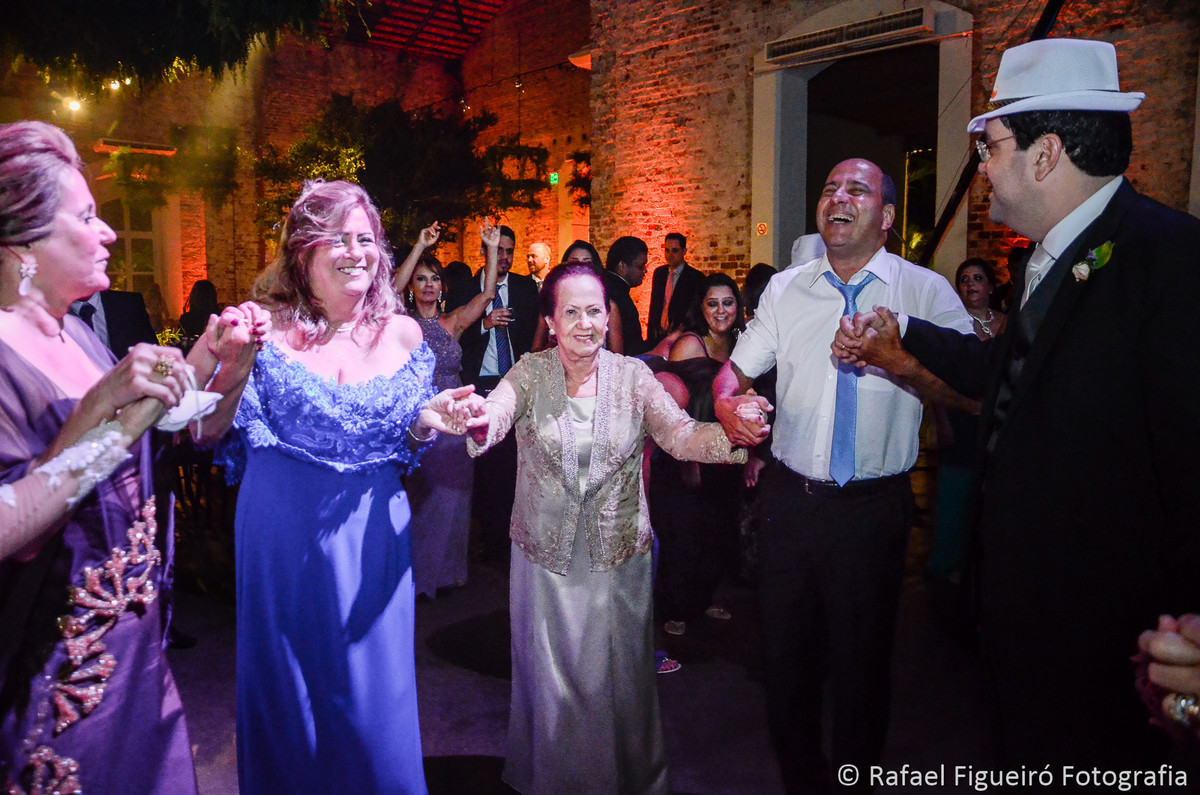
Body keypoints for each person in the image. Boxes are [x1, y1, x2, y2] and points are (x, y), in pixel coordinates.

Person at [833, 38, 1200, 771]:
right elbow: (1008, 373)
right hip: (1021, 629)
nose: (982, 166)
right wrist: (904, 329)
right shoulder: (1049, 256)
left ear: (1046, 153)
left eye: (990, 144)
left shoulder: (1170, 258)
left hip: (1106, 645)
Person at [0, 120, 264, 794]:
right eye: (86, 217)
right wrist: (113, 422)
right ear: (22, 243)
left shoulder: (81, 340)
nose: (110, 231)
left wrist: (218, 360)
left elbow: (165, 440)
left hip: (140, 663)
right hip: (56, 684)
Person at [713, 157, 972, 792]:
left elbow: (972, 393)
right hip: (791, 504)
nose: (838, 197)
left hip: (872, 509)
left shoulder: (925, 293)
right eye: (829, 186)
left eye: (857, 188)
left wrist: (897, 361)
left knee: (862, 667)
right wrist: (725, 405)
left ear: (885, 217)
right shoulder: (786, 289)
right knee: (786, 664)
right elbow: (733, 372)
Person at [217, 180, 477, 793]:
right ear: (303, 251)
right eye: (340, 237)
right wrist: (223, 364)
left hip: (372, 540)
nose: (358, 251)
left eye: (367, 239)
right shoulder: (263, 330)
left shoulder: (406, 335)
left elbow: (404, 439)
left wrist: (425, 421)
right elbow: (208, 431)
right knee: (289, 702)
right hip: (280, 536)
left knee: (371, 708)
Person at [463, 262, 755, 795]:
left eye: (593, 311)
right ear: (550, 321)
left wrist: (735, 436)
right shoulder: (530, 372)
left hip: (619, 557)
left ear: (608, 316)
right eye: (569, 312)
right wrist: (480, 420)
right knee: (551, 684)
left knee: (618, 681)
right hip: (543, 558)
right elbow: (498, 412)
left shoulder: (633, 377)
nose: (583, 323)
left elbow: (682, 436)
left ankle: (626, 778)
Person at [394, 220, 501, 598]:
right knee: (425, 501)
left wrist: (489, 247)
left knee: (455, 500)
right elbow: (389, 290)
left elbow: (487, 293)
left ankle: (448, 573)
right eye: (421, 279)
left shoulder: (451, 322)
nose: (428, 285)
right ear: (413, 287)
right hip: (422, 422)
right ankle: (419, 576)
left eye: (434, 280)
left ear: (442, 288)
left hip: (456, 425)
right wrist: (419, 247)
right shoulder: (400, 325)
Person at [651, 273, 746, 635]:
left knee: (717, 528)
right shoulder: (690, 344)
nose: (721, 311)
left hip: (726, 450)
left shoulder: (742, 343)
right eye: (712, 303)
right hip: (686, 454)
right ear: (700, 307)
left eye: (728, 302)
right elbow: (674, 410)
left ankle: (704, 598)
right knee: (684, 531)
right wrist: (687, 461)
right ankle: (675, 608)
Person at [446, 224, 538, 563]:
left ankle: (509, 537)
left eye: (510, 251)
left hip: (512, 380)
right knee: (485, 466)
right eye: (499, 250)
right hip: (478, 384)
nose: (505, 257)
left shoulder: (526, 288)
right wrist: (484, 325)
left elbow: (534, 334)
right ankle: (486, 536)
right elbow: (453, 339)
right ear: (484, 252)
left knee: (512, 465)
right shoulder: (466, 288)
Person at [647, 232, 704, 345]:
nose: (669, 255)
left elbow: (695, 310)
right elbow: (654, 305)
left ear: (684, 251)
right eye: (667, 250)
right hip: (658, 334)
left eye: (675, 250)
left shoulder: (695, 277)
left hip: (682, 336)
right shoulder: (659, 273)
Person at [602, 235, 650, 356]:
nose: (645, 271)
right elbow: (632, 348)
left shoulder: (607, 287)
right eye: (640, 266)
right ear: (622, 266)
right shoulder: (619, 298)